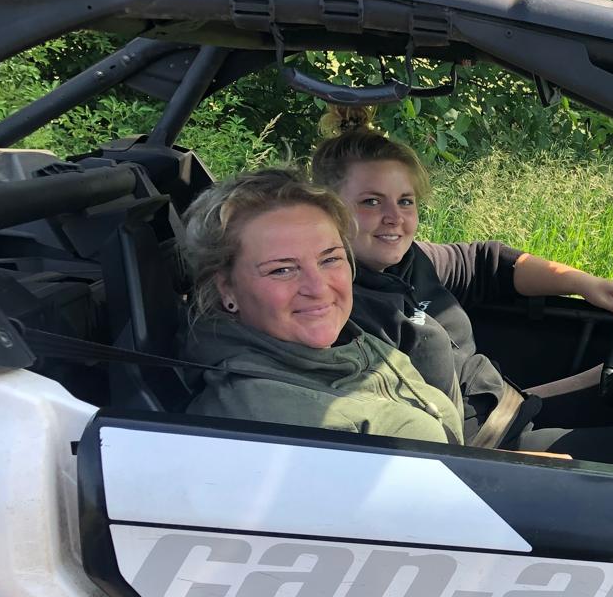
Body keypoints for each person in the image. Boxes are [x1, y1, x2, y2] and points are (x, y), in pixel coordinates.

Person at [309, 106, 613, 465]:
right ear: (329, 211)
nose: (395, 218)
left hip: (509, 408)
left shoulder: (412, 259)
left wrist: (585, 284)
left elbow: (487, 263)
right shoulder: (330, 308)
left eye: (406, 201)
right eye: (371, 202)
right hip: (481, 452)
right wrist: (513, 466)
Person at [179, 168, 464, 445]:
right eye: (282, 270)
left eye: (330, 259)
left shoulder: (351, 344)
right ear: (227, 288)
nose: (318, 288)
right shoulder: (267, 418)